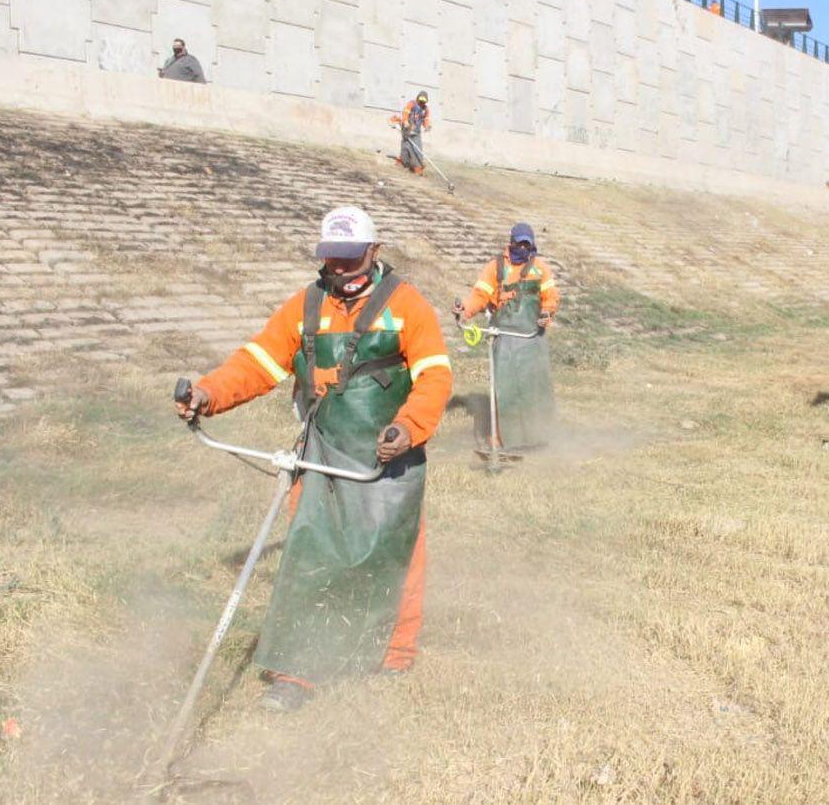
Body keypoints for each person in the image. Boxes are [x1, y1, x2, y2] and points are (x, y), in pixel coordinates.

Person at [174, 207, 452, 712]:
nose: (340, 270)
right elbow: (258, 362)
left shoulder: (407, 307)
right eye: (331, 260)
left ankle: (392, 653)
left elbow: (435, 376)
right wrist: (207, 395)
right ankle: (297, 671)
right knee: (311, 549)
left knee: (396, 550)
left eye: (350, 259)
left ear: (375, 251)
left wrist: (407, 428)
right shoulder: (306, 306)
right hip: (322, 450)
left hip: (389, 452)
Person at [453, 223, 560, 452]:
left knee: (534, 388)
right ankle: (501, 438)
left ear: (532, 245)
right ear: (511, 242)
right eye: (519, 243)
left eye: (526, 244)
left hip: (532, 338)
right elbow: (480, 295)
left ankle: (537, 436)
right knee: (505, 389)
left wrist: (546, 313)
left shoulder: (540, 268)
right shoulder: (496, 267)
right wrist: (466, 310)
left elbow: (551, 298)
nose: (522, 248)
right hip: (505, 337)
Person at [397, 91, 431, 175]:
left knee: (418, 149)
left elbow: (425, 119)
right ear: (417, 98)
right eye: (420, 100)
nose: (422, 103)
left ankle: (418, 166)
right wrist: (405, 121)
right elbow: (405, 112)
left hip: (416, 131)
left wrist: (427, 126)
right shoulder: (411, 104)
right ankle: (403, 161)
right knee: (406, 147)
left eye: (424, 101)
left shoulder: (425, 109)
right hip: (407, 129)